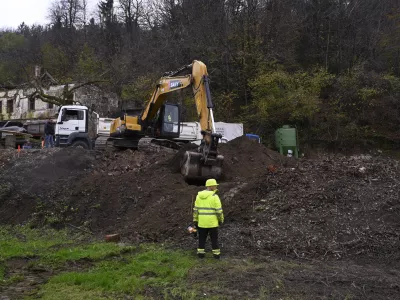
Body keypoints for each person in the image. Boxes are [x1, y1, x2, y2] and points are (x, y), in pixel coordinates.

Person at [193, 178, 224, 259]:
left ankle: (200, 254)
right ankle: (216, 255)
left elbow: (196, 210)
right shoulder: (215, 197)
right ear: (211, 186)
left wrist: (195, 220)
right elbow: (219, 211)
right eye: (215, 186)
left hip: (202, 223)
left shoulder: (198, 196)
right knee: (214, 239)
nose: (216, 187)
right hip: (212, 223)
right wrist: (221, 220)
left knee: (201, 239)